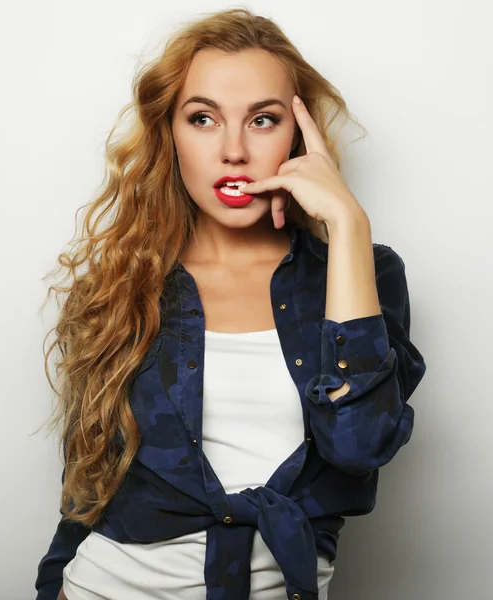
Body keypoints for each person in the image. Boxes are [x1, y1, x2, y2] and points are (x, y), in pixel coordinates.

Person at [34, 7, 427, 600]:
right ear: (170, 132)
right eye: (203, 119)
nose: (234, 150)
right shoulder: (119, 283)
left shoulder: (363, 274)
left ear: (299, 135)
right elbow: (87, 485)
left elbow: (359, 445)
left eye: (263, 119)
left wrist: (347, 224)